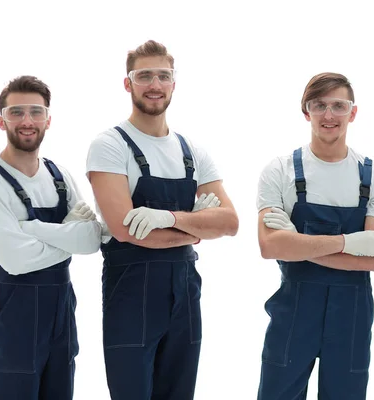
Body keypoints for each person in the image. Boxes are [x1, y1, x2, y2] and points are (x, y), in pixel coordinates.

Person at [86, 40, 239, 400]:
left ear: (173, 83)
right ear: (128, 84)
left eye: (163, 75)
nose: (154, 84)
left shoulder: (193, 152)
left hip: (186, 291)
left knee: (179, 392)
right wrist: (196, 227)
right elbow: (128, 231)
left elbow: (230, 222)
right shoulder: (110, 145)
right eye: (144, 76)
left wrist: (168, 218)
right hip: (131, 291)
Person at [256, 72, 374, 399]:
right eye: (319, 106)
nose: (329, 115)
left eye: (338, 106)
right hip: (292, 313)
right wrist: (348, 243)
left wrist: (296, 244)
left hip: (352, 318)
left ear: (353, 112)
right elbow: (269, 246)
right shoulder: (280, 170)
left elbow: (372, 260)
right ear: (306, 111)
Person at [0, 75, 103, 400]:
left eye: (35, 112)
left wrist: (33, 230)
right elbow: (16, 261)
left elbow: (92, 240)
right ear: (1, 120)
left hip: (61, 306)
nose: (27, 121)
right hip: (15, 308)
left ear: (48, 119)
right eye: (16, 112)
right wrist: (67, 233)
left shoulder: (60, 176)